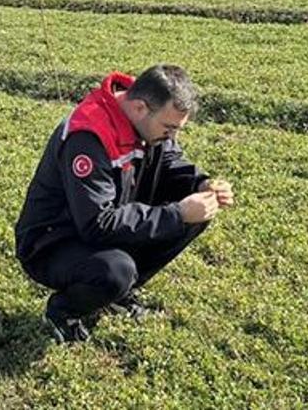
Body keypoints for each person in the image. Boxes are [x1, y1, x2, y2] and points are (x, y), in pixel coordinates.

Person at [14, 64, 234, 343]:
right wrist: (176, 214)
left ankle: (120, 293)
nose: (172, 137)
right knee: (115, 270)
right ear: (141, 107)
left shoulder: (144, 119)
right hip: (52, 241)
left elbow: (169, 160)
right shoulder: (88, 137)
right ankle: (63, 312)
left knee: (196, 212)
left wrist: (202, 184)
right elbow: (97, 225)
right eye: (169, 128)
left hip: (102, 221)